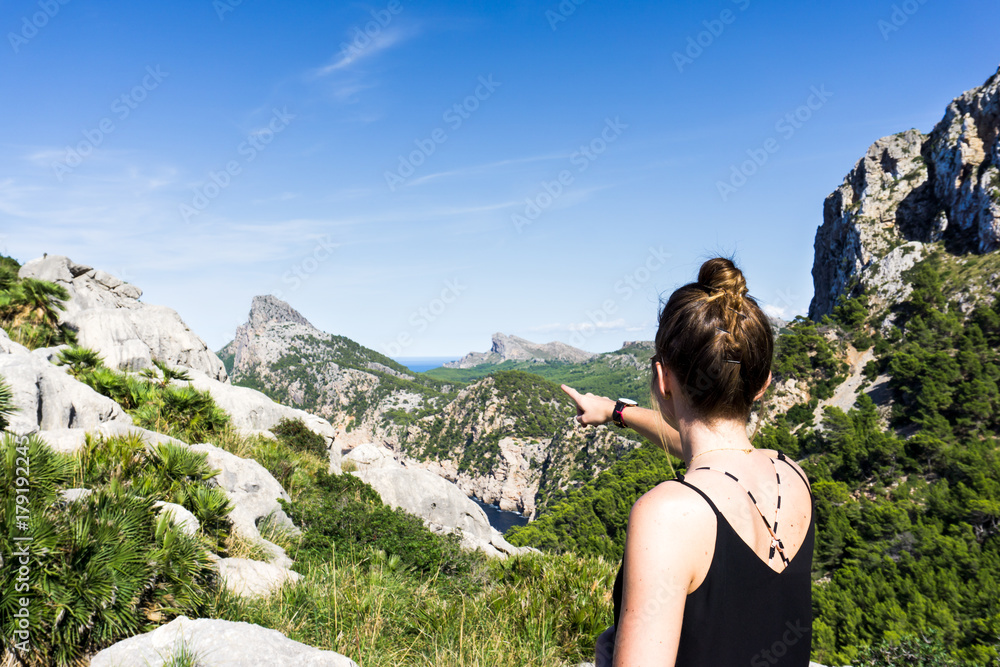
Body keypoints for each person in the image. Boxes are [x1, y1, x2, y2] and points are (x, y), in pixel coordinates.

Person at [562, 257, 814, 667]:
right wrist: (615, 411)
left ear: (662, 380)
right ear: (763, 383)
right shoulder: (792, 475)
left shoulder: (667, 514)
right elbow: (709, 454)